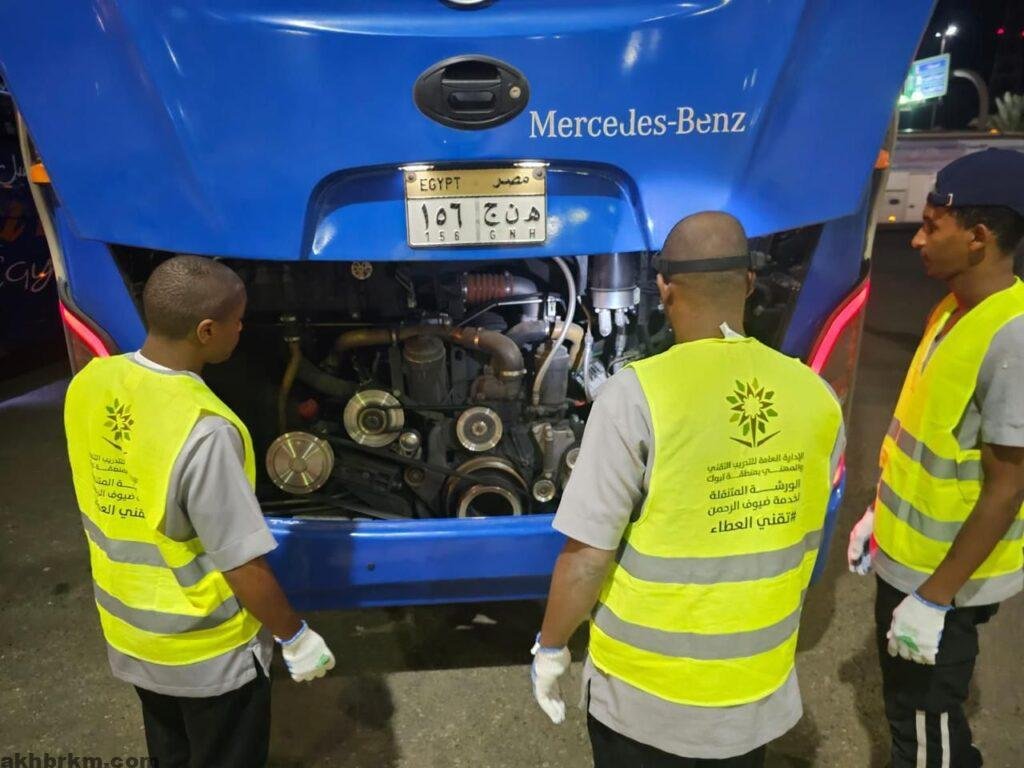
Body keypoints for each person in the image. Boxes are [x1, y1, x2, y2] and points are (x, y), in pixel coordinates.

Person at [530, 212, 846, 767]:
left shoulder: (635, 398)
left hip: (645, 702)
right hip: (754, 693)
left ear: (663, 287)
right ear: (749, 282)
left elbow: (586, 559)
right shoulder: (816, 395)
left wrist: (551, 647)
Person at [64, 255, 336, 768]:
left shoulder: (91, 383)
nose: (241, 329)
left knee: (171, 754)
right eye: (237, 320)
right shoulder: (204, 429)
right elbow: (240, 562)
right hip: (206, 652)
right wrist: (295, 636)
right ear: (206, 331)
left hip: (132, 636)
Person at [848, 148, 1024, 768]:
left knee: (927, 732)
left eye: (931, 225)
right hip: (911, 562)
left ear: (978, 237)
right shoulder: (952, 308)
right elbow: (923, 434)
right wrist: (879, 512)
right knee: (908, 713)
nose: (917, 240)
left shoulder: (1012, 337)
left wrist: (936, 599)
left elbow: (1009, 486)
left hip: (943, 578)